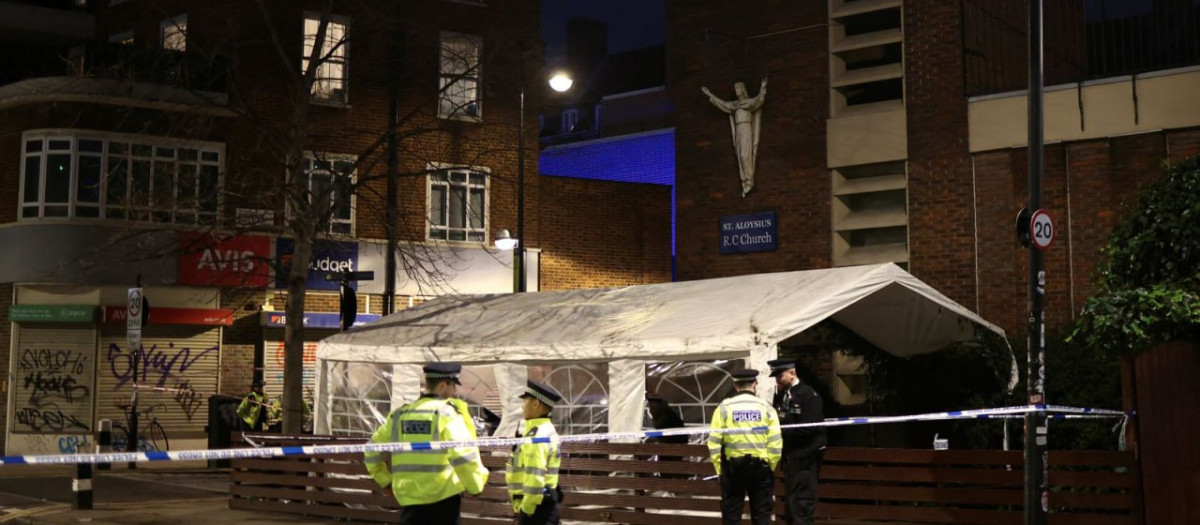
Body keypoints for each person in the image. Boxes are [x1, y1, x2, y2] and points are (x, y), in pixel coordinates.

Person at [364, 363, 489, 525]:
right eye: (453, 386)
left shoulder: (400, 415)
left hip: (410, 502)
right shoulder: (446, 414)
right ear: (443, 385)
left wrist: (386, 481)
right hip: (443, 501)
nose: (454, 392)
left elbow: (371, 451)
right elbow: (463, 455)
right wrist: (475, 486)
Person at [707, 369, 782, 525]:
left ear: (735, 385)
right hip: (761, 468)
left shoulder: (724, 408)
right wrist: (771, 466)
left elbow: (713, 442)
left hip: (733, 469)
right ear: (755, 384)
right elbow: (775, 441)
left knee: (732, 517)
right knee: (761, 516)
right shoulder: (766, 407)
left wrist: (719, 469)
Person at [768, 358, 827, 525]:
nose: (777, 380)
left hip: (805, 457)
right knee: (792, 505)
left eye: (780, 376)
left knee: (802, 504)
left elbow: (809, 428)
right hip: (792, 458)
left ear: (792, 373)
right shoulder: (784, 395)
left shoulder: (808, 395)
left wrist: (782, 430)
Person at [506, 380, 564, 525]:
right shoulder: (544, 430)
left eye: (525, 401)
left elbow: (535, 477)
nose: (522, 406)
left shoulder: (537, 436)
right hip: (541, 506)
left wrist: (526, 512)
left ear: (536, 404)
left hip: (535, 511)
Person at [700, 78, 768, 197]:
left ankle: (749, 181)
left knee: (745, 155)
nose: (736, 90)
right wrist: (710, 94)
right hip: (739, 131)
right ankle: (744, 181)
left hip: (747, 129)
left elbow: (758, 100)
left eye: (737, 88)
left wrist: (762, 88)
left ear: (742, 89)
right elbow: (723, 104)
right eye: (735, 88)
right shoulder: (734, 105)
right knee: (740, 155)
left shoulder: (748, 103)